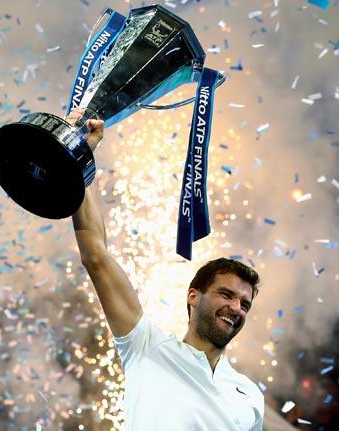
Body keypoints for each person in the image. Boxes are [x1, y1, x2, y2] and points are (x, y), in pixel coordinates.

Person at [67, 108, 264, 430]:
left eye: (244, 303)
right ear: (193, 296)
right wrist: (81, 157)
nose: (235, 307)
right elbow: (96, 256)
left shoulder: (250, 395)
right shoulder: (145, 346)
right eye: (226, 294)